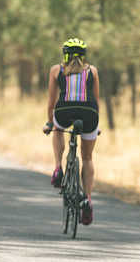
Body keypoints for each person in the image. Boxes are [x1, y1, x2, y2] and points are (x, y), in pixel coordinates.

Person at [42, 38, 100, 225]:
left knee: (59, 130)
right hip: (90, 114)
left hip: (64, 111)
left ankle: (59, 168)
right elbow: (96, 102)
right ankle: (88, 199)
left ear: (65, 54)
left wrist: (50, 124)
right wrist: (96, 126)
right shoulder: (92, 71)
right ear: (84, 56)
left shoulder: (56, 70)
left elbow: (51, 103)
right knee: (88, 157)